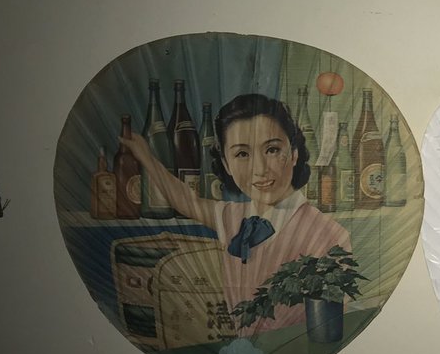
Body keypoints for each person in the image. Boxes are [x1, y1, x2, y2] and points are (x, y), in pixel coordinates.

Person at [122, 93, 353, 335]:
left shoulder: (330, 235)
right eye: (242, 154)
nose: (260, 169)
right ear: (226, 164)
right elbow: (186, 201)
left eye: (272, 150)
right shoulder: (233, 217)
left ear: (294, 153)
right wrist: (145, 156)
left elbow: (331, 329)